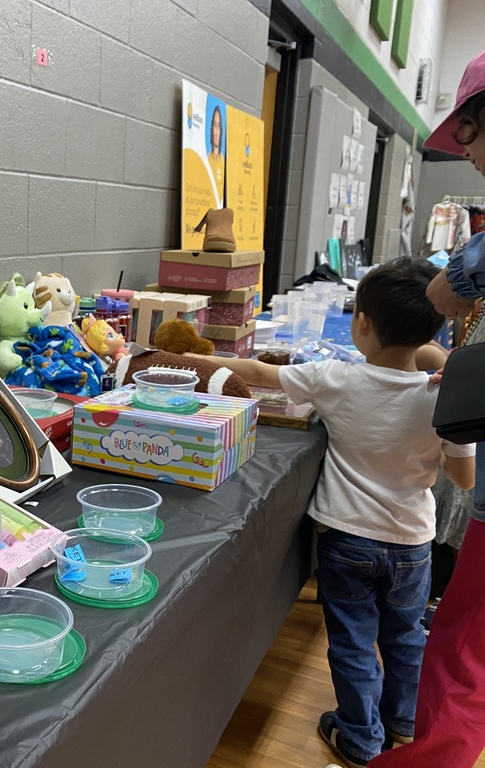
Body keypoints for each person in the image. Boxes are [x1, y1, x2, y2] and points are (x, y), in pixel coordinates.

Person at [193, 259, 476, 768]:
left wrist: (200, 357)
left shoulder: (335, 379)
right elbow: (463, 480)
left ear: (361, 323)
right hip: (412, 544)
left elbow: (260, 373)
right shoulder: (442, 394)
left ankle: (359, 737)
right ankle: (403, 719)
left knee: (352, 643)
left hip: (347, 541)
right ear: (435, 326)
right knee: (406, 636)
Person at [370, 50, 485, 768]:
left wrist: (464, 274)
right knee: (443, 642)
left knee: (460, 651)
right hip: (420, 541)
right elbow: (465, 473)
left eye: (468, 134)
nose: (466, 155)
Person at [208, 104, 225, 193]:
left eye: (218, 126)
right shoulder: (207, 160)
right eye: (214, 125)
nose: (216, 132)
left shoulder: (223, 162)